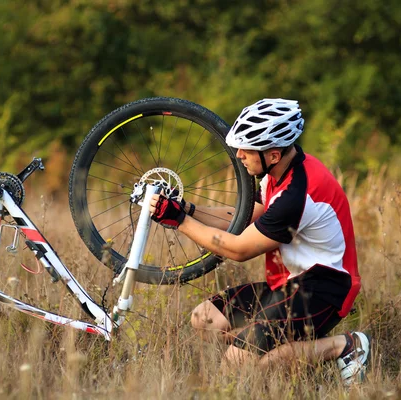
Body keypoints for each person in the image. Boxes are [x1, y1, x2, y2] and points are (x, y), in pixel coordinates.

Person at [149, 98, 370, 385]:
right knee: (204, 319)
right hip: (292, 282)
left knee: (238, 364)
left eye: (246, 149)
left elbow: (237, 248)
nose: (239, 155)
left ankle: (346, 346)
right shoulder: (277, 173)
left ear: (273, 154)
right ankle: (278, 343)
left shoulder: (296, 196)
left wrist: (179, 221)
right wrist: (187, 208)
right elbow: (242, 219)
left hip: (325, 288)